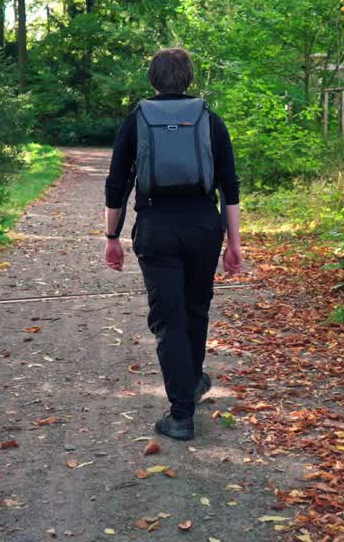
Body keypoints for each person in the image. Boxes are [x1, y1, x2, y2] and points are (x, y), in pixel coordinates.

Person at [103, 47, 243, 441]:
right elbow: (229, 188)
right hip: (203, 227)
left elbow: (117, 184)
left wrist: (112, 238)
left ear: (153, 79)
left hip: (155, 228)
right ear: (189, 78)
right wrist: (234, 244)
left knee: (168, 319)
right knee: (196, 309)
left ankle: (182, 412)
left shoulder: (137, 120)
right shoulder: (209, 120)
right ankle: (192, 383)